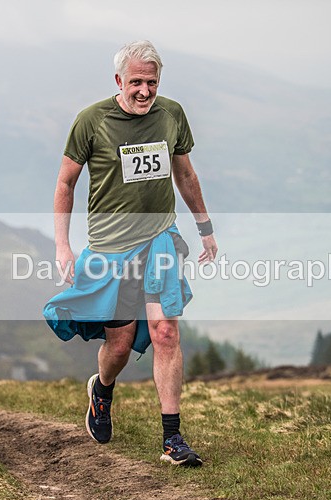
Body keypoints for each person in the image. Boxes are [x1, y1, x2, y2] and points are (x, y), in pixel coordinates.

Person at [43, 40, 218, 467]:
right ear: (119, 80)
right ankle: (101, 390)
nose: (144, 91)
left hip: (159, 239)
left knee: (165, 333)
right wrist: (63, 246)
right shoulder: (91, 121)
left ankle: (172, 440)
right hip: (110, 250)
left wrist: (205, 228)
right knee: (118, 346)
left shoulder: (171, 114)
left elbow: (185, 174)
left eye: (152, 82)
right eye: (136, 82)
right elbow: (65, 183)